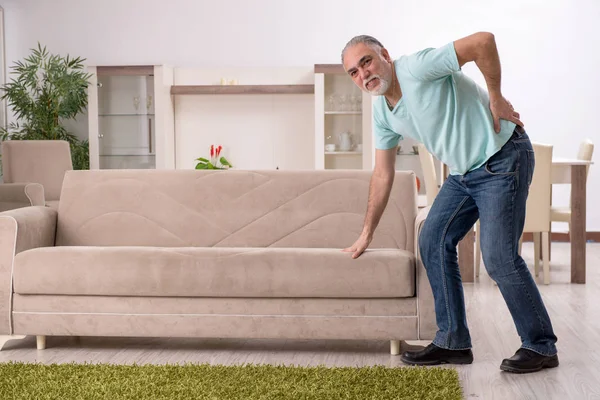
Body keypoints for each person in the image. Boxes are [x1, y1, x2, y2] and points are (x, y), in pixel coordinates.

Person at [340, 33, 558, 374]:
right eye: (353, 72)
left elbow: (483, 42)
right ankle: (453, 342)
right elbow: (382, 174)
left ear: (384, 54)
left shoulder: (415, 68)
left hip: (502, 157)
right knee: (432, 238)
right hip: (464, 174)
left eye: (366, 61)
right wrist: (367, 231)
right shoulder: (382, 111)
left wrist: (496, 97)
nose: (363, 74)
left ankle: (540, 345)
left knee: (498, 256)